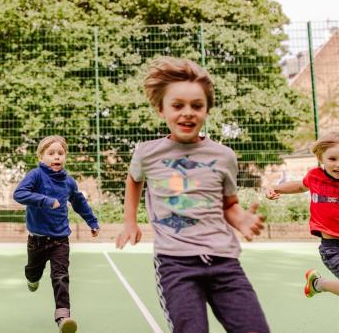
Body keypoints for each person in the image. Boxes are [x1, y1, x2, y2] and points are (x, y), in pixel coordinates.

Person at [115, 57, 269, 333]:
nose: (188, 113)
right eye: (177, 106)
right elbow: (134, 179)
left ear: (207, 110)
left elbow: (229, 205)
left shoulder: (223, 156)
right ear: (161, 110)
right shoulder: (147, 153)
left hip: (225, 263)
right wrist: (130, 221)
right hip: (176, 265)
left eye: (197, 106)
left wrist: (241, 220)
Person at [13, 135, 100, 333]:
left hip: (60, 239)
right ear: (41, 156)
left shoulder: (68, 182)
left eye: (60, 153)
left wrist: (92, 222)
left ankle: (63, 317)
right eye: (51, 153)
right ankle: (32, 278)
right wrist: (45, 200)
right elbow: (19, 194)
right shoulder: (35, 175)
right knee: (33, 271)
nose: (56, 157)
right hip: (37, 240)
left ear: (65, 156)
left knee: (60, 276)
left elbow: (79, 203)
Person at [265, 131, 339, 297]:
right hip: (333, 249)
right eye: (332, 159)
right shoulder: (315, 177)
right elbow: (299, 186)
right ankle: (319, 284)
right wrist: (275, 188)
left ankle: (317, 283)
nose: (338, 164)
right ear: (321, 159)